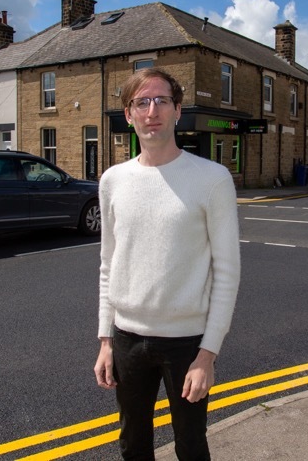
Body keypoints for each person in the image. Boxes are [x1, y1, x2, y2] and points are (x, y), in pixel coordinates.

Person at [93, 68, 241, 460]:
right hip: (126, 338)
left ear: (178, 110)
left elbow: (227, 271)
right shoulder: (112, 180)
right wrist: (106, 341)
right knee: (132, 444)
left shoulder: (212, 178)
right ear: (128, 115)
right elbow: (109, 263)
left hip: (186, 344)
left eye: (161, 100)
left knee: (191, 445)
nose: (151, 110)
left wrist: (208, 355)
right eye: (141, 102)